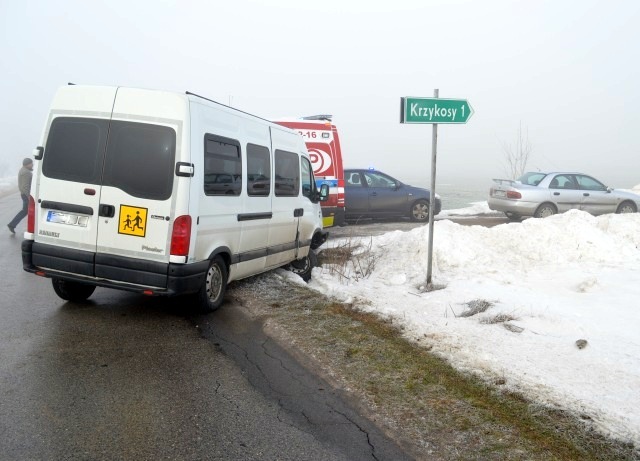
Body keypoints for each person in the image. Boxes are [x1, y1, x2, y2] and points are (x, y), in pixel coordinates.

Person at [7, 158, 33, 234]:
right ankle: (12, 225)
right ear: (27, 164)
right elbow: (25, 186)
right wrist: (29, 197)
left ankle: (12, 224)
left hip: (23, 194)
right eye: (31, 163)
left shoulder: (23, 170)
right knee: (27, 211)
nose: (32, 164)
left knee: (25, 211)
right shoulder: (26, 172)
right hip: (26, 195)